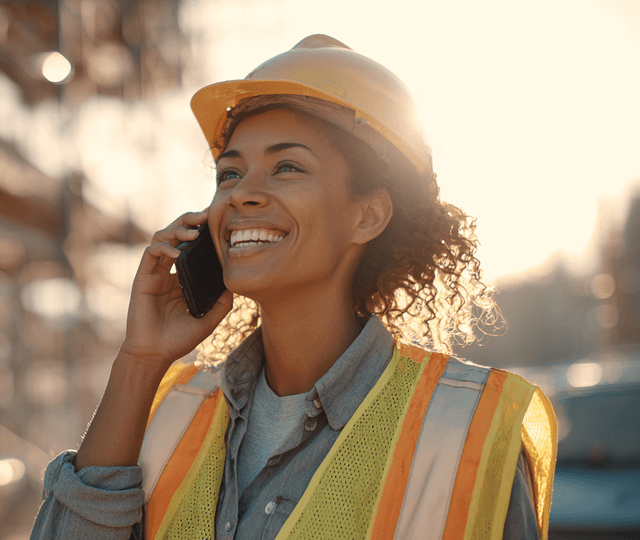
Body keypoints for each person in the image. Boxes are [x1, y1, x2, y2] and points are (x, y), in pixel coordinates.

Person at [30, 34, 556, 540]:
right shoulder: (170, 409)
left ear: (367, 215)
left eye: (286, 167)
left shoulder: (468, 434)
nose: (241, 196)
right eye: (229, 174)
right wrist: (140, 361)